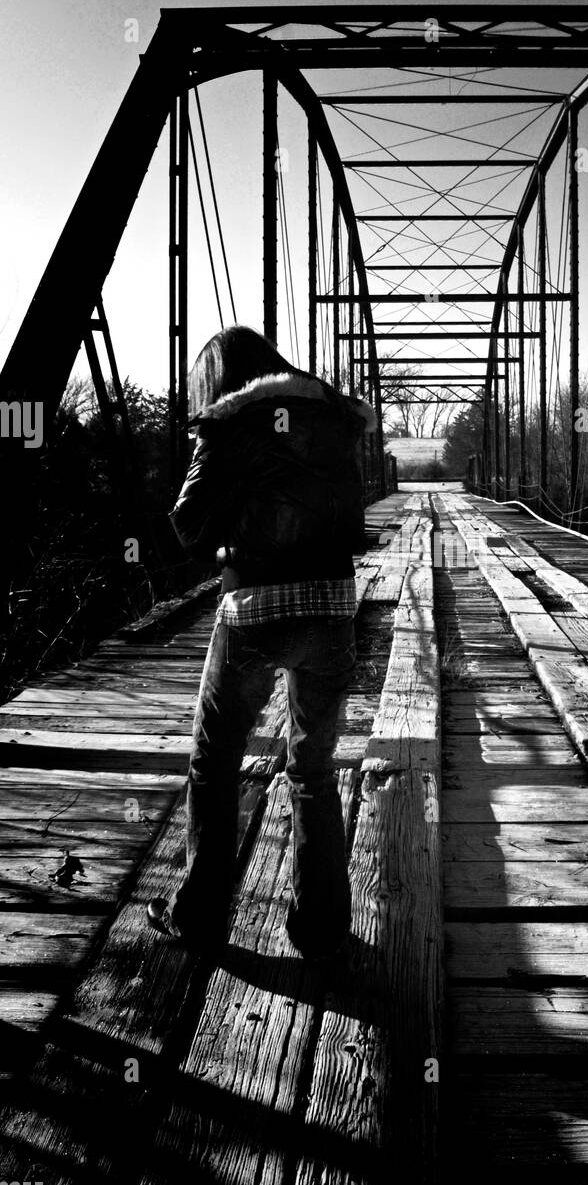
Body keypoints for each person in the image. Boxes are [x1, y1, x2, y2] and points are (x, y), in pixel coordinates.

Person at [146, 326, 376, 960]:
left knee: (214, 762)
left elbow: (189, 525)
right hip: (331, 612)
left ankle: (198, 916)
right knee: (313, 769)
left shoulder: (229, 423)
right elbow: (352, 524)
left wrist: (228, 541)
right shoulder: (335, 419)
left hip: (254, 611)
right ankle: (322, 927)